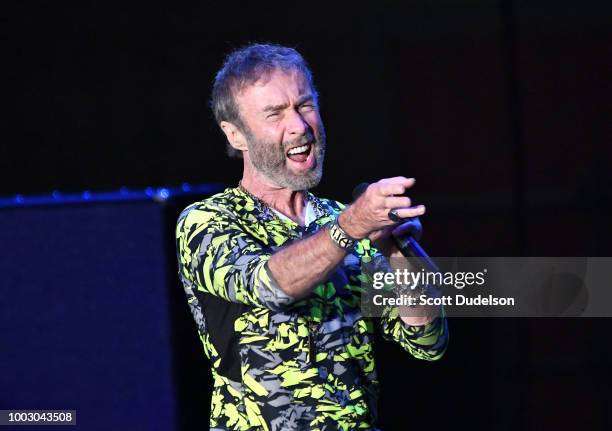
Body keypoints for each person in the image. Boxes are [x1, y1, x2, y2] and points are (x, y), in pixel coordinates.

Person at [175, 43, 448, 431]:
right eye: (275, 114)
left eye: (304, 105)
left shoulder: (342, 217)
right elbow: (270, 285)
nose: (300, 127)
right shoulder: (207, 221)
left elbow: (427, 341)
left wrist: (397, 250)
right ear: (236, 135)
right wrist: (351, 227)